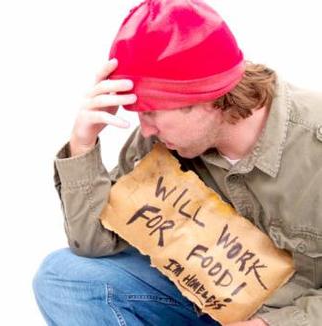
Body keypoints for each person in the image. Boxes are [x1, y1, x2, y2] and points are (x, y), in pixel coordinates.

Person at [33, 0, 322, 325]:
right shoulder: (155, 144)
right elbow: (96, 243)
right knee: (63, 277)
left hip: (297, 316)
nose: (146, 128)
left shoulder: (314, 141)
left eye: (152, 112)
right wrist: (83, 144)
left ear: (206, 98)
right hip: (201, 307)